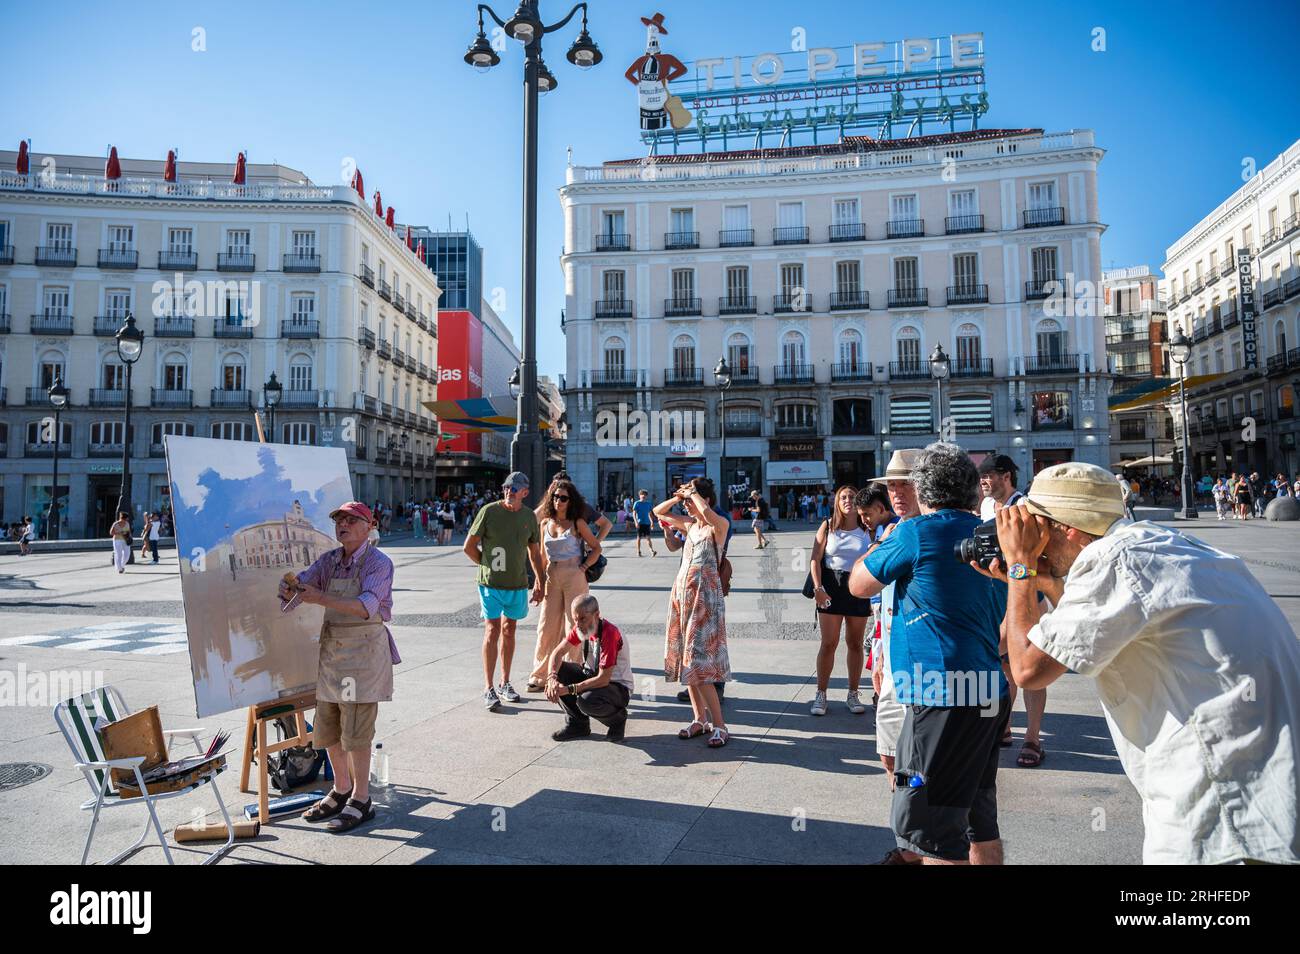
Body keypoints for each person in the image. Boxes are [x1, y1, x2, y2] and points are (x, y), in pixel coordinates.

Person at [985, 462, 1300, 864]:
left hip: (1221, 814)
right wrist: (1046, 581)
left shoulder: (1116, 563)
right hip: (1263, 796)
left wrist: (1020, 570)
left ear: (1067, 529)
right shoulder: (1162, 545)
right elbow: (1088, 639)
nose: (1035, 546)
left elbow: (1029, 670)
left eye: (1037, 534)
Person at [851, 443, 1010, 865]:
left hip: (938, 697)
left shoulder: (915, 533)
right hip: (988, 689)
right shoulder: (991, 533)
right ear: (973, 490)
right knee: (978, 818)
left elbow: (858, 585)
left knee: (933, 833)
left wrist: (883, 545)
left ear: (924, 490)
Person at [279, 501, 394, 833]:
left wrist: (319, 598)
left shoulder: (379, 563)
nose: (342, 524)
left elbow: (365, 606)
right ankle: (341, 787)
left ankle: (361, 798)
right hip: (332, 652)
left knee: (356, 729)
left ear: (368, 525)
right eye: (339, 520)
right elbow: (302, 584)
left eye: (350, 519)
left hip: (363, 654)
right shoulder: (330, 560)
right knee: (328, 724)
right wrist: (290, 588)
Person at [979, 455, 1047, 766]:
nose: (983, 481)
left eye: (989, 475)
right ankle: (1004, 727)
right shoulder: (983, 508)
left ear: (1007, 477)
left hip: (1028, 592)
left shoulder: (1026, 507)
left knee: (1032, 670)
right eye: (982, 476)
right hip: (995, 594)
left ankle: (1032, 738)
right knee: (1005, 665)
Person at [654, 478, 732, 748]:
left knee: (701, 661)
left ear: (705, 500)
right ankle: (700, 719)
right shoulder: (689, 525)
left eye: (691, 500)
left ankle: (720, 725)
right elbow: (658, 513)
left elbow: (711, 517)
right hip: (683, 598)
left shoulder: (718, 526)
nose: (687, 505)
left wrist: (695, 496)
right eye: (686, 501)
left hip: (706, 600)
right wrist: (679, 497)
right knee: (687, 660)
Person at [465, 472, 546, 711]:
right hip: (490, 584)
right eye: (507, 487)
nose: (510, 491)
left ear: (525, 492)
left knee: (510, 630)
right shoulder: (489, 511)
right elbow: (469, 547)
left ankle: (505, 682)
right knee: (492, 629)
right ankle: (488, 687)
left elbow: (535, 553)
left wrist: (540, 581)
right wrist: (486, 564)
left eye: (515, 488)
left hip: (517, 584)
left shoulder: (529, 517)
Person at [527, 479, 602, 692]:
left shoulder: (577, 523)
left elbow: (596, 548)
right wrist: (538, 582)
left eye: (563, 498)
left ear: (571, 501)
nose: (558, 501)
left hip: (574, 575)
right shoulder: (545, 523)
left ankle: (573, 672)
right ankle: (539, 675)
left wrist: (584, 566)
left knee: (574, 625)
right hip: (552, 576)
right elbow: (541, 556)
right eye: (555, 497)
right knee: (546, 626)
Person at [807, 484, 874, 716]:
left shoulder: (868, 527)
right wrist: (818, 588)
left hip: (858, 587)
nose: (847, 500)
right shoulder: (828, 525)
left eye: (852, 497)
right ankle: (821, 694)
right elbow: (815, 559)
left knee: (855, 644)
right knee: (829, 643)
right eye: (843, 497)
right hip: (831, 587)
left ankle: (853, 693)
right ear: (836, 502)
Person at [545, 594, 633, 742]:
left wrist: (569, 689)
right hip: (593, 677)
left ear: (597, 615)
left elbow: (603, 679)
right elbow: (557, 653)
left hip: (617, 688)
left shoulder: (610, 633)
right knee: (559, 670)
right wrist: (551, 678)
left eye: (582, 619)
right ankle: (577, 724)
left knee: (586, 701)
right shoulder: (582, 628)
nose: (578, 624)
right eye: (575, 619)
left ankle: (617, 720)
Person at [633, 489, 658, 557]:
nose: (643, 496)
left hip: (647, 523)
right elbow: (634, 514)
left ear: (646, 496)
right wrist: (636, 522)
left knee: (648, 538)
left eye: (645, 494)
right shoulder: (637, 503)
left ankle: (651, 551)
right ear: (639, 495)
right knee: (639, 538)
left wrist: (652, 522)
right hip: (640, 523)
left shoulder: (648, 504)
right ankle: (638, 551)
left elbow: (650, 514)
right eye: (642, 494)